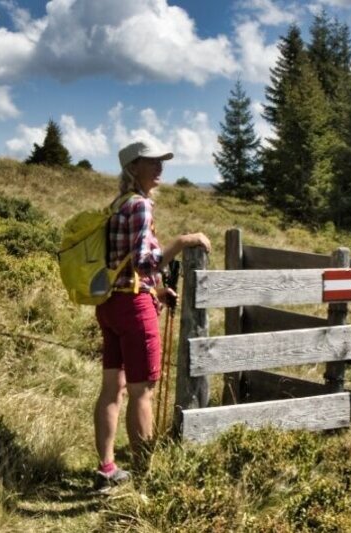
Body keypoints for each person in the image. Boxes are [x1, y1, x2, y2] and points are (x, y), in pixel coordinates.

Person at [93, 141, 211, 491]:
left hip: (110, 304)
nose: (159, 169)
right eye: (151, 163)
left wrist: (157, 290)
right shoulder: (141, 206)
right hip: (133, 308)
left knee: (112, 389)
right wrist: (182, 241)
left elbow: (123, 265)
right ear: (134, 168)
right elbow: (146, 263)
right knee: (142, 391)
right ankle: (147, 474)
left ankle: (107, 468)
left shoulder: (117, 205)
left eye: (161, 162)